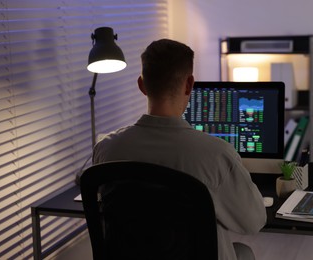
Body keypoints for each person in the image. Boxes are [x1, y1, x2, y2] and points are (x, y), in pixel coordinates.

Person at [92, 38, 267, 260]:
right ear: (189, 84)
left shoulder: (106, 149)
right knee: (243, 252)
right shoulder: (216, 155)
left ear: (142, 85)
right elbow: (253, 222)